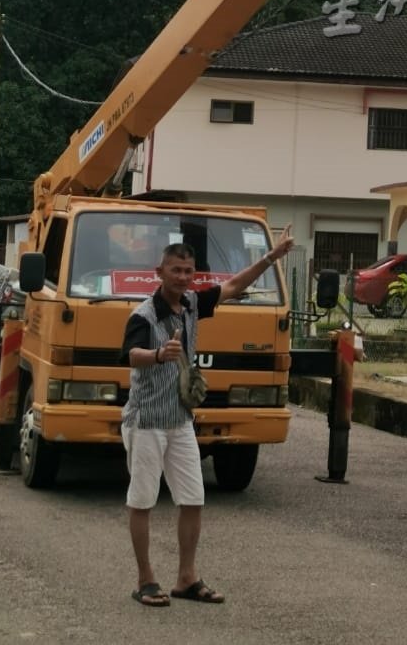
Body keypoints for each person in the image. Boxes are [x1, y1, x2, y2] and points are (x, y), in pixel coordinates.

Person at [120, 227, 294, 608]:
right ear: (159, 272)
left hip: (180, 419)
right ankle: (146, 579)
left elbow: (232, 286)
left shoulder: (194, 305)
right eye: (175, 270)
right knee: (143, 500)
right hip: (146, 421)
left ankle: (187, 578)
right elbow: (129, 355)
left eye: (188, 271)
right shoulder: (143, 315)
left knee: (193, 498)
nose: (182, 277)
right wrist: (157, 355)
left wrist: (271, 257)